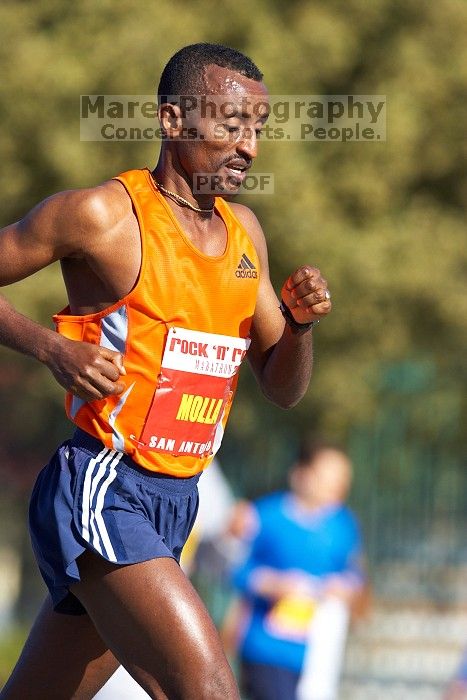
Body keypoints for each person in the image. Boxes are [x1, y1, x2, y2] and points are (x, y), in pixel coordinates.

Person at [0, 43, 332, 699]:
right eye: (231, 125)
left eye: (258, 129)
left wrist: (296, 329)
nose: (249, 148)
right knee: (208, 688)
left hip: (177, 501)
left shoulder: (246, 236)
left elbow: (283, 388)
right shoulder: (102, 216)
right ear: (173, 121)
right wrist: (51, 348)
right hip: (102, 485)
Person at [231, 440, 366, 700]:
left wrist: (345, 587)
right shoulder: (265, 515)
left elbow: (355, 573)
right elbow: (235, 568)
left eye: (341, 480)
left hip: (317, 650)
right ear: (301, 474)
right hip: (266, 647)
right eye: (327, 477)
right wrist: (270, 584)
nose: (334, 487)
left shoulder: (344, 525)